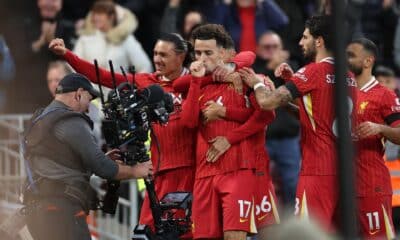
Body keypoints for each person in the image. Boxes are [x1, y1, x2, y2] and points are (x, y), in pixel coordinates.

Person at [241, 15, 357, 232]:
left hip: (317, 172)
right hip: (344, 171)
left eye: (305, 37)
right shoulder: (348, 75)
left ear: (319, 41)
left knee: (305, 234)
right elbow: (313, 115)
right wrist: (290, 83)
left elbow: (266, 102)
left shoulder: (313, 71)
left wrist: (257, 83)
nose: (301, 43)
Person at [23, 73, 152, 240]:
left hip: (38, 210)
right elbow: (102, 167)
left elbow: (58, 164)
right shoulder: (70, 120)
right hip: (62, 210)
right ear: (78, 93)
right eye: (88, 100)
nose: (88, 107)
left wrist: (101, 158)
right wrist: (137, 171)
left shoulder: (41, 118)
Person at [181, 23, 275, 240]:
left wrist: (225, 118)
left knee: (236, 235)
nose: (202, 58)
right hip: (204, 172)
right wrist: (196, 81)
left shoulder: (246, 78)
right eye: (198, 53)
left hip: (238, 169)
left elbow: (267, 115)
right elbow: (188, 122)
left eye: (208, 53)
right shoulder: (198, 85)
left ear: (223, 53)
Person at [347, 38, 399, 239]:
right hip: (340, 182)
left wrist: (379, 128)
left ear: (368, 61)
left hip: (371, 183)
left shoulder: (384, 95)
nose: (345, 59)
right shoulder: (339, 93)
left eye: (351, 55)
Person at [252, 31, 301, 208]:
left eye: (275, 47)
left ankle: (292, 228)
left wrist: (280, 70)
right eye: (267, 47)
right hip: (261, 137)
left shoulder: (292, 68)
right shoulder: (253, 69)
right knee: (257, 184)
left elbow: (297, 93)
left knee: (292, 183)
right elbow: (259, 95)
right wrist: (269, 69)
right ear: (258, 49)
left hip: (288, 138)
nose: (271, 51)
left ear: (282, 49)